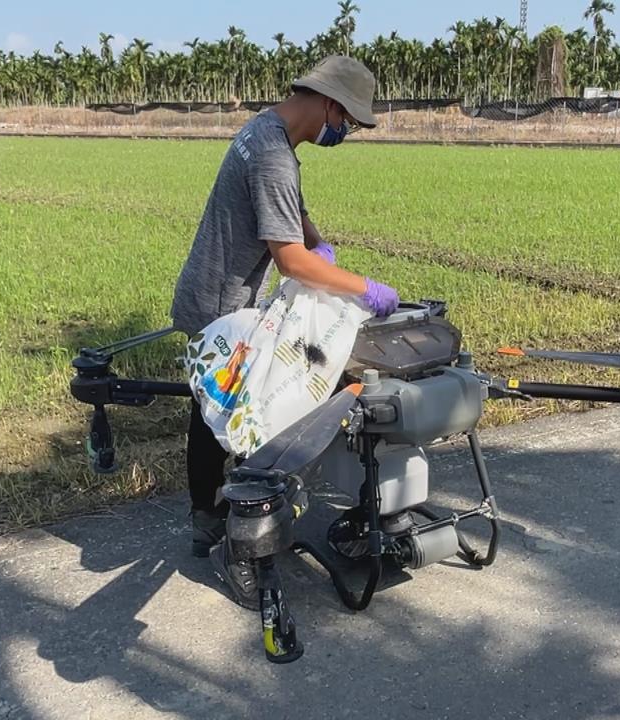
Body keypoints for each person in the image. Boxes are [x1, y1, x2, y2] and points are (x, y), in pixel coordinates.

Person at [168, 55, 400, 609]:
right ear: (329, 104)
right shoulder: (273, 155)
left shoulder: (267, 132)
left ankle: (210, 520)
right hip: (224, 309)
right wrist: (361, 286)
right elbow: (293, 262)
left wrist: (320, 240)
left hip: (221, 296)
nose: (345, 132)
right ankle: (237, 545)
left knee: (213, 416)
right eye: (347, 122)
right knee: (247, 421)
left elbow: (291, 214)